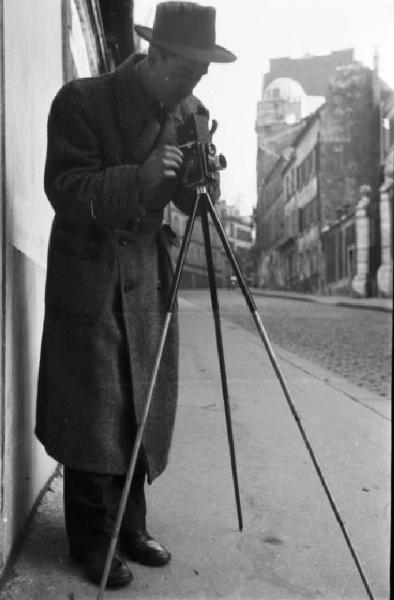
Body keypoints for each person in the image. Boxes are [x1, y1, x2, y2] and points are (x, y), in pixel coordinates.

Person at [35, 1, 236, 589]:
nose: (194, 84)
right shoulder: (82, 101)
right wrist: (139, 179)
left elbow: (189, 201)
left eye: (202, 75)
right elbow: (65, 188)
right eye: (186, 70)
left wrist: (203, 179)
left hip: (147, 274)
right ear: (156, 54)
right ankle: (91, 540)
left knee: (138, 403)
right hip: (91, 273)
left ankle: (132, 524)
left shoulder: (190, 108)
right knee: (95, 409)